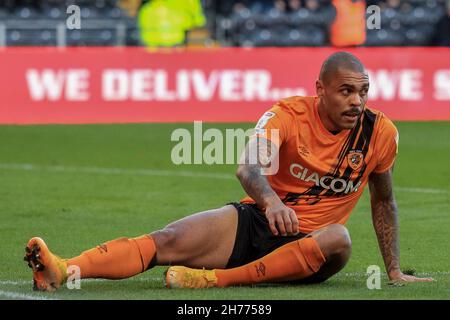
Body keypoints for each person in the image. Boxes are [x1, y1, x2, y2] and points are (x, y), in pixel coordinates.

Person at [25, 52, 433, 291]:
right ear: (320, 90)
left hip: (314, 246)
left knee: (339, 237)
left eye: (363, 91)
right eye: (346, 91)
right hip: (259, 220)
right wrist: (270, 200)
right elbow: (248, 165)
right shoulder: (286, 114)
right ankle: (65, 269)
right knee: (166, 240)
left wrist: (393, 269)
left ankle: (215, 279)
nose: (357, 101)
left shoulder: (380, 133)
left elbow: (384, 199)